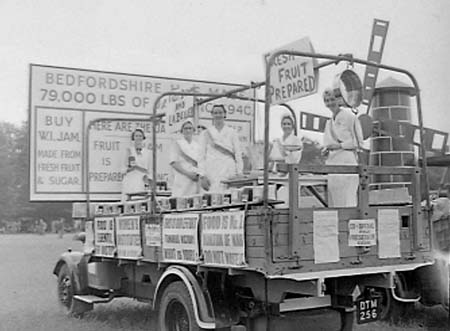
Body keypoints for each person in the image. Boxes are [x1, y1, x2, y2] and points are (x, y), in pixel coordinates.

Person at [322, 88, 364, 207]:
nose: (330, 103)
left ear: (339, 99)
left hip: (347, 161)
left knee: (347, 200)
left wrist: (340, 145)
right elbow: (327, 143)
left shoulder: (349, 117)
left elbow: (359, 142)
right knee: (335, 201)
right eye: (327, 100)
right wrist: (326, 150)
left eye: (332, 99)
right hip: (332, 163)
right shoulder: (328, 123)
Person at [199, 104, 243, 192]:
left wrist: (239, 172)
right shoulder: (205, 134)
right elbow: (201, 156)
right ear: (212, 115)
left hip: (228, 169)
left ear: (225, 114)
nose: (218, 115)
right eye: (215, 113)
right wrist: (202, 175)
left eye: (220, 112)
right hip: (211, 170)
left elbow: (238, 154)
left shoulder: (232, 132)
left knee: (229, 197)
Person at [169, 120, 203, 196]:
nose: (188, 130)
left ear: (193, 130)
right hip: (182, 180)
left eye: (190, 128)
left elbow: (201, 164)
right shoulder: (177, 144)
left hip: (194, 181)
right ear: (182, 131)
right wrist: (188, 174)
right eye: (185, 128)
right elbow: (174, 163)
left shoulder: (197, 146)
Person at [121, 128, 152, 200]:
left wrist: (148, 180)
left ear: (143, 138)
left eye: (140, 136)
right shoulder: (128, 150)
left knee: (140, 202)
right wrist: (132, 168)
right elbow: (123, 169)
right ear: (133, 138)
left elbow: (150, 169)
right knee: (128, 202)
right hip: (130, 180)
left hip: (141, 181)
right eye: (136, 136)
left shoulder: (148, 152)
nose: (138, 138)